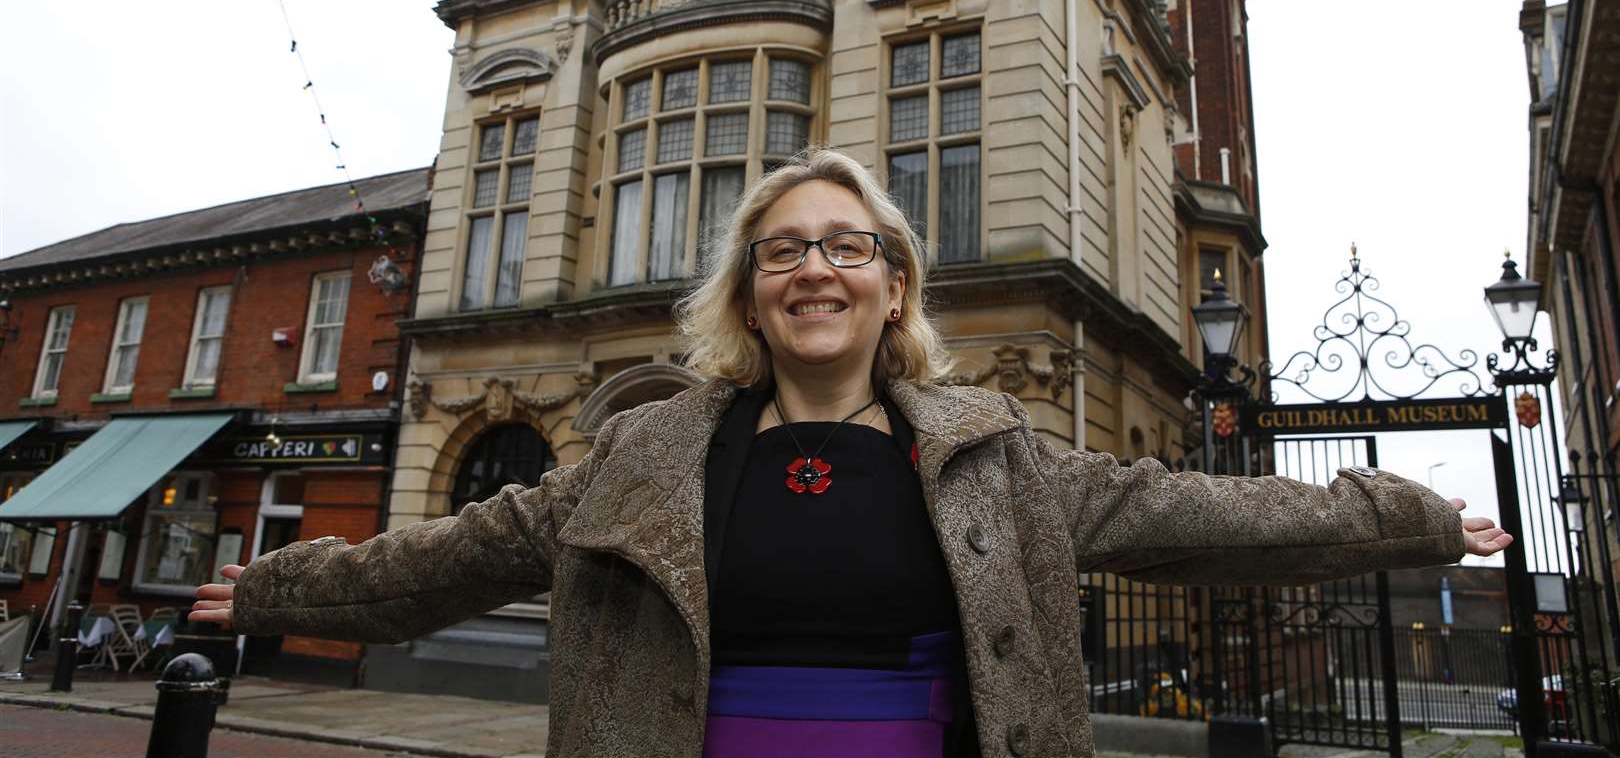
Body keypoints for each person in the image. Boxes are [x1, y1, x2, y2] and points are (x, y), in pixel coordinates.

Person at [194, 146, 1510, 757]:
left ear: (893, 285)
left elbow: (1200, 518)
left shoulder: (993, 453)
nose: (814, 266)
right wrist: (272, 589)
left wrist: (1417, 519)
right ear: (750, 291)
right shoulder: (649, 455)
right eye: (783, 248)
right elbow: (461, 555)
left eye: (847, 245)